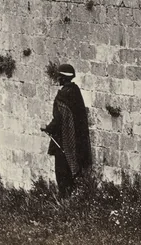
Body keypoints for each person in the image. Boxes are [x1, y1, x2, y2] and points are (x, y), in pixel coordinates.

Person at [40, 63, 91, 197]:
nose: (58, 79)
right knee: (73, 169)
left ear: (63, 78)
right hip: (77, 140)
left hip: (64, 140)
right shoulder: (76, 91)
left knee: (62, 172)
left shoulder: (62, 96)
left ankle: (64, 199)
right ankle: (74, 197)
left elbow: (58, 120)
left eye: (59, 77)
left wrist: (48, 128)